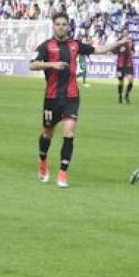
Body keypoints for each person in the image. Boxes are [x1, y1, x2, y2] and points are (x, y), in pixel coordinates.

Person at [30, 12, 128, 188]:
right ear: (53, 26)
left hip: (71, 97)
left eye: (64, 24)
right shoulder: (46, 46)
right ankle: (43, 160)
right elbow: (32, 64)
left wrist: (118, 43)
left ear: (68, 26)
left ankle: (62, 173)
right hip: (52, 98)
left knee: (69, 133)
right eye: (58, 24)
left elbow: (97, 50)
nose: (61, 27)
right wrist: (52, 64)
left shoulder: (75, 44)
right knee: (47, 133)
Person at [116, 28, 135, 104]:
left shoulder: (131, 41)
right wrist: (119, 50)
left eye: (126, 32)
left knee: (131, 81)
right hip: (120, 64)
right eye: (124, 32)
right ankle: (120, 95)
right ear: (122, 33)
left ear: (128, 33)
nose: (125, 34)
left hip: (129, 64)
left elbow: (133, 51)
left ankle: (126, 95)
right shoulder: (119, 41)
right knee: (121, 82)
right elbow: (114, 50)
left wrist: (131, 51)